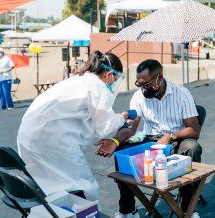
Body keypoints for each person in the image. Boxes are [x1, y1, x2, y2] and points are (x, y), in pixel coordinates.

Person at [17, 51, 134, 201]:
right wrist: (124, 115)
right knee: (83, 185)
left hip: (28, 136)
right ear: (109, 74)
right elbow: (105, 127)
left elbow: (80, 116)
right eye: (115, 79)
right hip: (52, 140)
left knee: (46, 186)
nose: (113, 84)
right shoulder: (98, 86)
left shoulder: (77, 80)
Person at [115, 59, 201, 218]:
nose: (142, 89)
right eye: (139, 84)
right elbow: (131, 128)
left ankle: (186, 209)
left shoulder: (182, 94)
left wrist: (170, 136)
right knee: (123, 151)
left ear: (159, 77)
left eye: (146, 84)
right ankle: (128, 210)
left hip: (176, 141)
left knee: (192, 147)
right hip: (149, 142)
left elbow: (194, 130)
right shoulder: (138, 97)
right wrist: (114, 141)